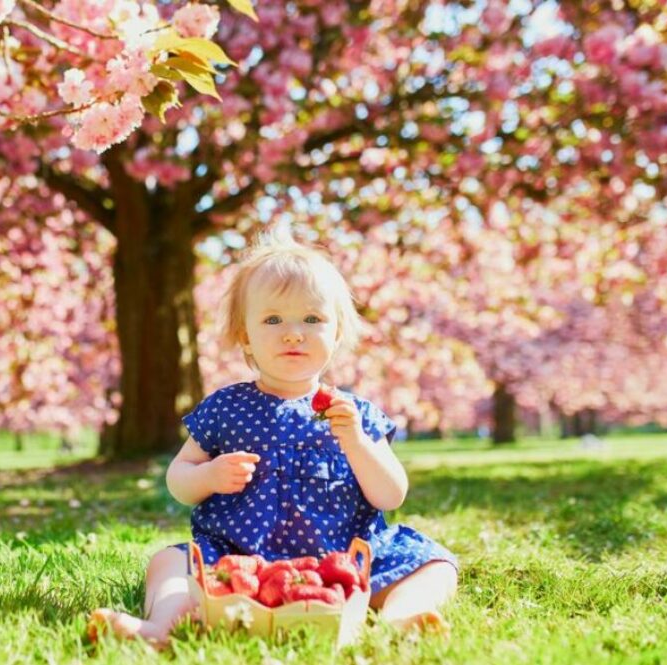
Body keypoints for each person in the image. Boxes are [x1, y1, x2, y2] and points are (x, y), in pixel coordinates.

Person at [89, 229, 458, 648]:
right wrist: (208, 475)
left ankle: (401, 619)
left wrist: (357, 442)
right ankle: (161, 628)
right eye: (272, 320)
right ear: (245, 335)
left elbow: (391, 495)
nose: (293, 333)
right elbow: (179, 477)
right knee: (168, 564)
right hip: (239, 560)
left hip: (342, 561)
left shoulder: (356, 415)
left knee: (433, 563)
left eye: (312, 319)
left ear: (336, 333)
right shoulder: (226, 407)